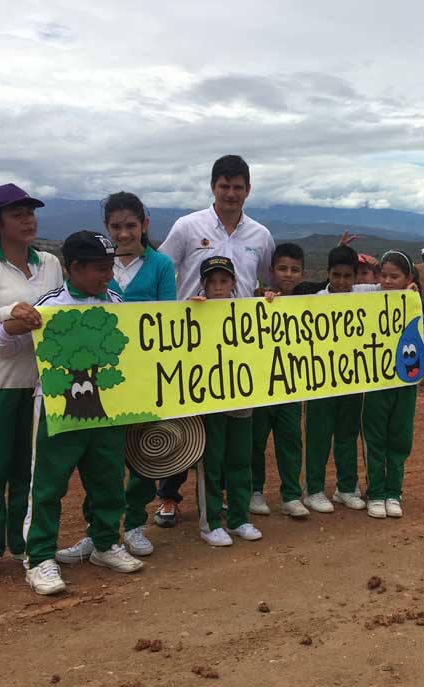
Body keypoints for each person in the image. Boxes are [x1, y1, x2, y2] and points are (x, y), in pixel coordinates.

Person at [0, 231, 145, 595]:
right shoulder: (49, 304)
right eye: (99, 269)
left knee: (109, 479)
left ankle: (104, 543)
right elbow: (3, 344)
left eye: (110, 267)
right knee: (48, 484)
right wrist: (14, 322)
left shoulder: (115, 300)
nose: (107, 275)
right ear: (74, 268)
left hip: (108, 410)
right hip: (55, 408)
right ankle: (39, 558)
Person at [55, 192, 177, 564]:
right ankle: (99, 533)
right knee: (100, 459)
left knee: (142, 451)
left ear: (145, 225)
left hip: (144, 373)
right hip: (99, 377)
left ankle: (135, 523)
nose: (124, 233)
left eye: (130, 225)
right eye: (116, 227)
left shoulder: (160, 265)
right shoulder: (101, 265)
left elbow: (167, 317)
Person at [154, 155, 274, 527]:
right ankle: (169, 496)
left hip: (238, 344)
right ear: (213, 187)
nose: (231, 193)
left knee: (228, 422)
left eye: (238, 187)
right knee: (185, 419)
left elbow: (266, 282)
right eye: (225, 186)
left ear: (248, 189)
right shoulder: (188, 227)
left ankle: (223, 499)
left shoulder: (261, 235)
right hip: (189, 340)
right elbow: (161, 268)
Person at [0, 183, 64, 587]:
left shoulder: (50, 264)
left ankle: (22, 546)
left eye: (31, 212)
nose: (28, 219)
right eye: (17, 213)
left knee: (29, 470)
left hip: (39, 384)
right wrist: (7, 313)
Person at [190, 255, 263, 545]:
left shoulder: (247, 310)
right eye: (213, 282)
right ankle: (209, 523)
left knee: (240, 459)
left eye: (224, 281)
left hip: (242, 398)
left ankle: (239, 518)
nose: (218, 287)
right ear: (204, 285)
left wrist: (271, 301)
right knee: (211, 460)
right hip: (210, 402)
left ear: (233, 283)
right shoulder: (194, 311)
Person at [302, 246, 368, 514]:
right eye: (336, 275)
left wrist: (410, 289)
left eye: (347, 276)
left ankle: (346, 487)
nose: (341, 281)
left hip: (352, 379)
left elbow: (393, 291)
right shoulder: (315, 299)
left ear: (355, 276)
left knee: (348, 434)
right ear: (328, 273)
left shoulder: (366, 296)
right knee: (318, 435)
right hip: (320, 381)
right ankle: (314, 490)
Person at [248, 243, 311, 518]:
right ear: (271, 271)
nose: (288, 274)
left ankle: (290, 495)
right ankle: (254, 491)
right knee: (255, 441)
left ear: (302, 273)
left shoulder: (310, 299)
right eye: (282, 268)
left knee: (290, 440)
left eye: (294, 270)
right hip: (261, 385)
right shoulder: (257, 299)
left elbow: (343, 290)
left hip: (291, 385)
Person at [361, 250, 422, 519]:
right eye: (383, 275)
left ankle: (393, 492)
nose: (387, 281)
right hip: (374, 381)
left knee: (400, 437)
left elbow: (421, 338)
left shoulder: (414, 302)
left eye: (394, 276)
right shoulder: (366, 297)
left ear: (407, 277)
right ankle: (375, 492)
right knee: (374, 438)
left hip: (405, 381)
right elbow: (333, 291)